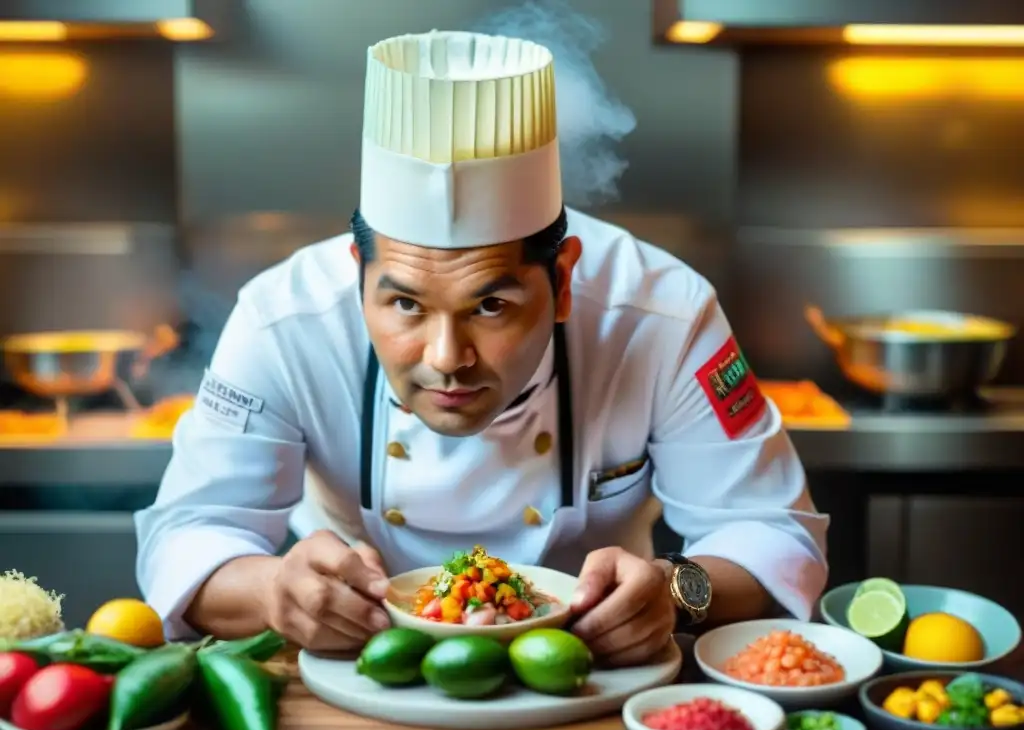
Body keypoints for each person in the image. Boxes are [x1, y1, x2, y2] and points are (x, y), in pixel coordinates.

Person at [136, 30, 828, 667]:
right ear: (358, 269)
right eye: (405, 304)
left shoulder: (664, 314)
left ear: (562, 281)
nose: (445, 356)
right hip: (358, 672)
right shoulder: (282, 320)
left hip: (592, 673)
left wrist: (675, 592)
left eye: (490, 306)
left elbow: (771, 534)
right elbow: (186, 537)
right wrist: (272, 591)